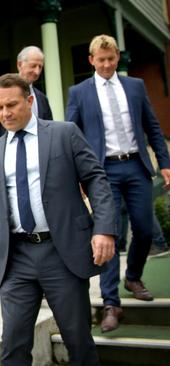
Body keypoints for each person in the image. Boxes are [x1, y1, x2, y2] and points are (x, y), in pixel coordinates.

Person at [0, 73, 117, 365]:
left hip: (61, 253)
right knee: (13, 346)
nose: (5, 113)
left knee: (78, 340)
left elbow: (96, 179)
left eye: (12, 105)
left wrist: (103, 229)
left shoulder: (64, 134)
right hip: (15, 259)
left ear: (29, 101)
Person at [65, 34, 170, 332]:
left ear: (117, 57)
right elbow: (72, 134)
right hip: (103, 172)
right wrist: (77, 175)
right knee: (107, 233)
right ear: (91, 61)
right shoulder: (80, 92)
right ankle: (112, 303)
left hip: (136, 166)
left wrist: (165, 163)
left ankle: (133, 276)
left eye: (112, 59)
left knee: (145, 229)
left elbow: (151, 125)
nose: (108, 65)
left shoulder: (134, 86)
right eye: (102, 60)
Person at [0, 46, 52, 147]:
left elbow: (49, 129)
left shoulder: (42, 98)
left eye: (40, 67)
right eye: (33, 66)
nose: (37, 71)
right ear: (20, 65)